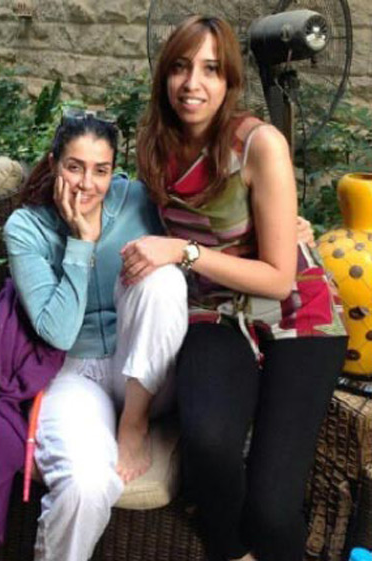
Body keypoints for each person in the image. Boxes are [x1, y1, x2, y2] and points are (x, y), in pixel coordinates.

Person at [120, 15, 348, 561]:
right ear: (164, 74)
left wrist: (185, 251)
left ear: (229, 82)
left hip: (297, 314)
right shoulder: (154, 144)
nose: (192, 84)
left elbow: (279, 277)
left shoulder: (258, 145)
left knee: (271, 511)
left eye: (210, 70)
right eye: (180, 67)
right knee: (209, 445)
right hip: (213, 310)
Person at [3, 112, 189, 561]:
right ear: (54, 164)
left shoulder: (139, 201)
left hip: (147, 372)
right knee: (84, 485)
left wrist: (287, 227)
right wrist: (81, 242)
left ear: (114, 171)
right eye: (75, 167)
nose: (87, 184)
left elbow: (209, 231)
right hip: (75, 373)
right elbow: (58, 332)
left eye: (100, 170)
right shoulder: (26, 228)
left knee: (163, 280)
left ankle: (133, 424)